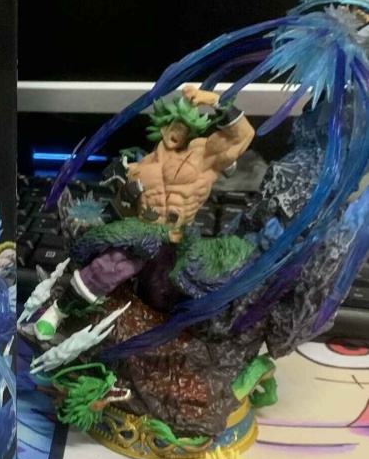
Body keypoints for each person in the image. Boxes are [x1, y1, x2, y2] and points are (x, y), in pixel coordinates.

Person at [35, 84, 254, 341]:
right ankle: (58, 311)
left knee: (167, 294)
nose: (179, 132)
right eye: (175, 125)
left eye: (186, 127)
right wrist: (124, 194)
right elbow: (123, 206)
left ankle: (192, 339)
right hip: (143, 234)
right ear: (163, 127)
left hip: (178, 241)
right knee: (109, 266)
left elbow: (243, 135)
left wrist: (214, 100)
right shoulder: (137, 167)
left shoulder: (203, 156)